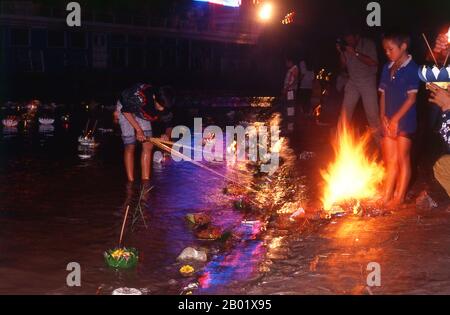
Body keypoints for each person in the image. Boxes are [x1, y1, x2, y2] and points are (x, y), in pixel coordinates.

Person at [378, 31, 420, 207]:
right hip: (388, 120)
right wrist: (382, 116)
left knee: (403, 159)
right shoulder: (387, 68)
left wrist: (395, 119)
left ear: (403, 46)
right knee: (390, 160)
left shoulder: (412, 69)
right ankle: (387, 194)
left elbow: (412, 99)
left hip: (405, 121)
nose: (388, 53)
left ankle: (399, 196)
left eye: (391, 49)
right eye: (385, 50)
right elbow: (382, 94)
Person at [114, 83, 173, 182]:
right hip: (126, 108)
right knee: (130, 145)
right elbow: (126, 111)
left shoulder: (165, 104)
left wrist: (167, 135)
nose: (161, 109)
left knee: (148, 145)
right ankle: (130, 182)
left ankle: (145, 180)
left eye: (164, 107)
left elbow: (169, 124)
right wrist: (138, 130)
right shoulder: (142, 97)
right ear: (154, 97)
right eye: (159, 106)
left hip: (141, 112)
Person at [337, 27, 381, 140]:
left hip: (368, 81)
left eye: (350, 38)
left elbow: (373, 62)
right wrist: (341, 53)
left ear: (357, 36)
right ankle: (340, 144)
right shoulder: (346, 47)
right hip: (353, 81)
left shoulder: (368, 44)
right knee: (344, 115)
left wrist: (355, 53)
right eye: (346, 39)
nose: (348, 41)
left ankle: (381, 145)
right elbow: (343, 68)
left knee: (372, 116)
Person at [282, 55, 299, 134]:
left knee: (290, 109)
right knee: (288, 108)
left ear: (290, 61)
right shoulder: (292, 69)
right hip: (289, 91)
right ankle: (289, 127)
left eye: (287, 62)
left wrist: (286, 89)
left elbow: (292, 81)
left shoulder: (294, 69)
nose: (286, 64)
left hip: (290, 91)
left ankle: (290, 128)